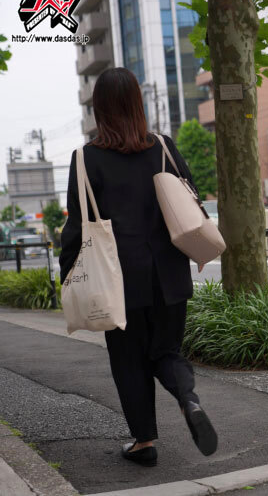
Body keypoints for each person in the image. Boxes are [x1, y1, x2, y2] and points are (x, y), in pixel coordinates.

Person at [59, 67, 217, 467]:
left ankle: (144, 443)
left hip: (116, 279)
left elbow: (76, 227)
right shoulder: (162, 147)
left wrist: (68, 276)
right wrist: (196, 250)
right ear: (137, 103)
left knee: (128, 359)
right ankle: (188, 399)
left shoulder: (85, 159)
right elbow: (189, 203)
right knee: (167, 351)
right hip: (169, 273)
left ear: (99, 109)